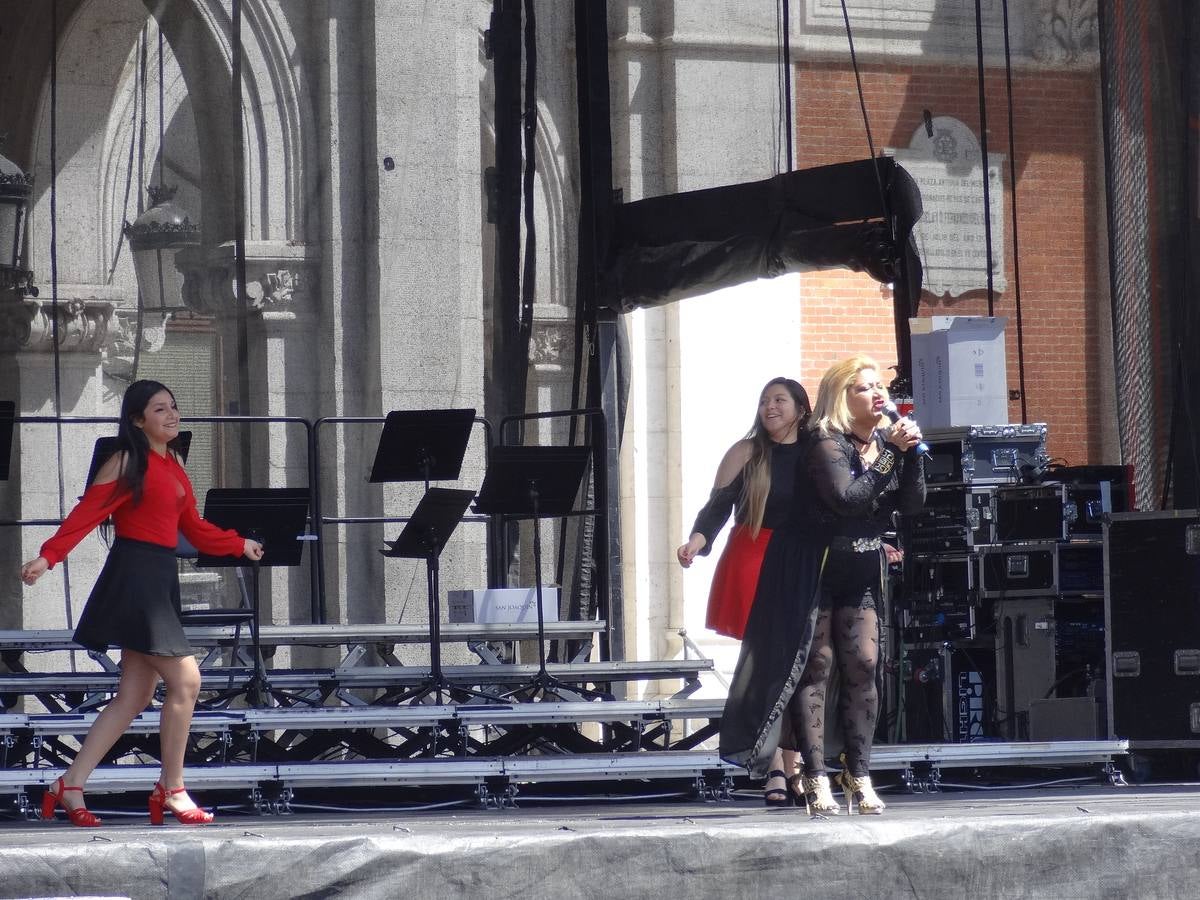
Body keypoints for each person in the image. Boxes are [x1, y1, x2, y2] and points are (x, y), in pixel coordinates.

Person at [19, 380, 264, 827]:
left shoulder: (173, 463)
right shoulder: (127, 459)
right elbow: (86, 514)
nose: (172, 415)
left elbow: (193, 525)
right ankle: (171, 788)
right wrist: (48, 557)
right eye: (159, 410)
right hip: (135, 578)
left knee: (133, 695)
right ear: (137, 420)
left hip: (159, 577)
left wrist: (237, 543)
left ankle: (69, 784)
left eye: (174, 407)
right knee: (187, 679)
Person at [784, 354, 925, 815]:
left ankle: (859, 772)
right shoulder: (826, 443)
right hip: (818, 568)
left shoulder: (883, 443)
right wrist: (891, 456)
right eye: (863, 387)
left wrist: (910, 457)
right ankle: (815, 774)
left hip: (862, 569)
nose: (876, 393)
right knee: (818, 669)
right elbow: (848, 499)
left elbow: (913, 503)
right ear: (841, 396)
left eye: (878, 385)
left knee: (865, 665)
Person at [677, 377, 811, 806]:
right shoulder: (747, 452)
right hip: (754, 557)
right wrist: (697, 541)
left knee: (801, 669)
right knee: (769, 667)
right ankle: (774, 768)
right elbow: (718, 505)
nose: (769, 407)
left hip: (802, 560)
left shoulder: (817, 451)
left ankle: (796, 766)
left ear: (801, 408)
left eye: (779, 400)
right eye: (764, 401)